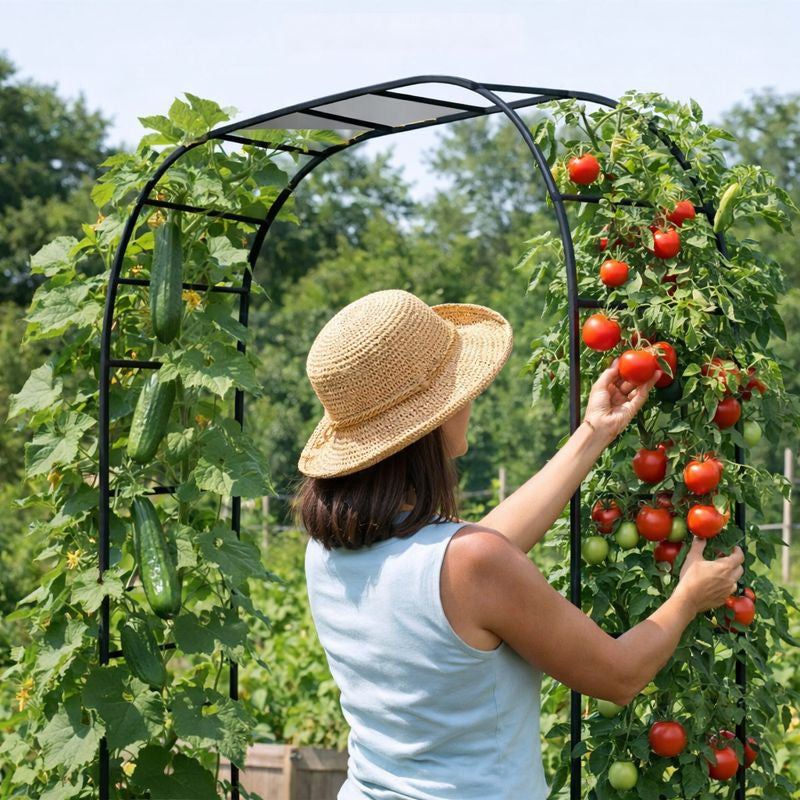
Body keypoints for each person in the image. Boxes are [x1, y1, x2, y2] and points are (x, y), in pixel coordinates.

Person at [292, 288, 744, 800]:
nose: (472, 398)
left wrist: (593, 433)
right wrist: (688, 599)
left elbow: (471, 557)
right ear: (431, 421)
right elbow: (618, 676)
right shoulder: (470, 564)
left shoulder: (327, 551)